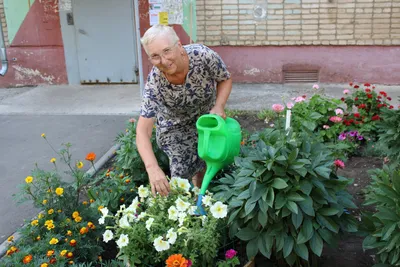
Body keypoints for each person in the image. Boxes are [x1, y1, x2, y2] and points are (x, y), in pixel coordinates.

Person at [136, 24, 232, 197]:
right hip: (175, 128)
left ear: (179, 46)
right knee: (181, 177)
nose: (164, 61)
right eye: (155, 56)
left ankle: (201, 198)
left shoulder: (202, 56)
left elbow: (224, 79)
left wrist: (219, 105)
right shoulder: (155, 82)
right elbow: (143, 130)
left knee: (209, 161)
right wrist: (152, 169)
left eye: (167, 51)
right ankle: (186, 212)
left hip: (206, 120)